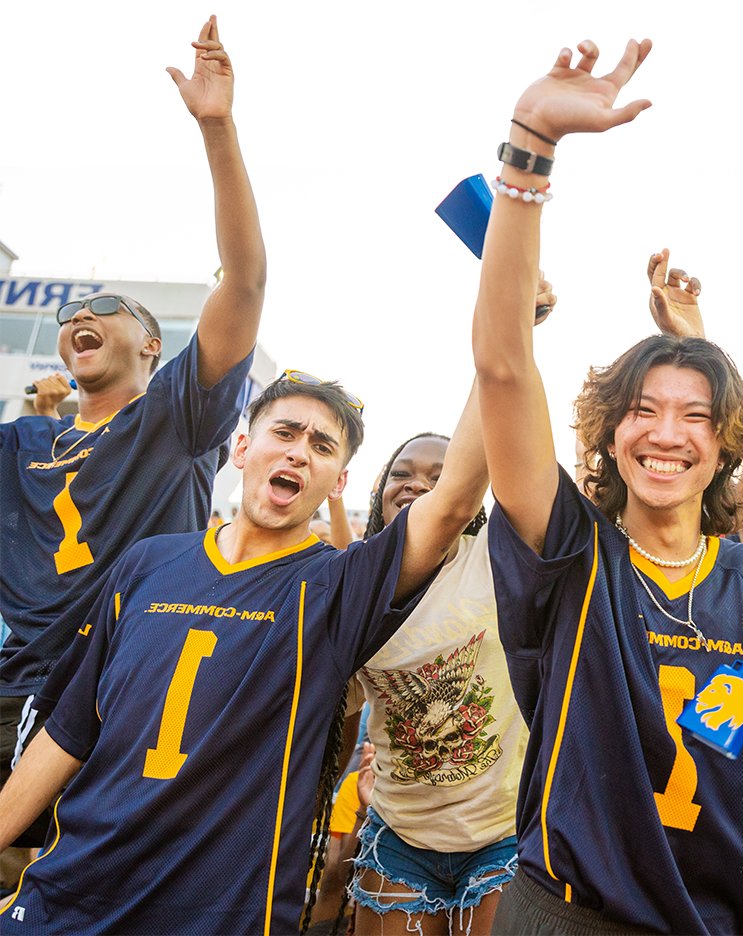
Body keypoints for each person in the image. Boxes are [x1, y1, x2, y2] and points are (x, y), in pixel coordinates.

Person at [470, 39, 743, 936]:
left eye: (697, 417)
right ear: (610, 431)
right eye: (643, 409)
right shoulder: (570, 551)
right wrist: (530, 145)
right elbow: (505, 367)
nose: (667, 433)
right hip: (563, 914)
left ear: (725, 444)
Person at [0, 368, 490, 936]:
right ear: (241, 447)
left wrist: (507, 327)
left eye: (322, 445)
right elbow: (68, 732)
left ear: (339, 482)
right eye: (285, 433)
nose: (300, 452)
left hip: (218, 914)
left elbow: (453, 502)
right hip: (66, 896)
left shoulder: (338, 589)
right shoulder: (145, 564)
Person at [0, 16, 267, 846]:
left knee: (76, 880)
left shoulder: (176, 419)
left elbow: (246, 282)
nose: (81, 315)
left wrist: (217, 128)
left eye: (104, 309)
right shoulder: (22, 443)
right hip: (13, 687)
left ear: (151, 344)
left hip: (122, 690)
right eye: (73, 313)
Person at [347, 276, 552, 936]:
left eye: (439, 475)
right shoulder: (346, 583)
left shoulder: (499, 555)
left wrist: (513, 331)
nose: (419, 484)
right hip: (399, 835)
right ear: (380, 487)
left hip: (504, 833)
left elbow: (502, 447)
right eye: (404, 471)